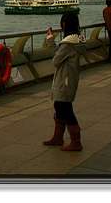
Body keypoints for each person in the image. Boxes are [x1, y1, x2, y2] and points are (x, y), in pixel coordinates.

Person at [43, 11, 84, 152]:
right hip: (69, 80)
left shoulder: (68, 44)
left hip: (64, 82)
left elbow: (56, 60)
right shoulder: (77, 40)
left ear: (64, 24)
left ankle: (76, 142)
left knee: (65, 109)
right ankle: (58, 137)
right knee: (59, 106)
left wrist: (50, 40)